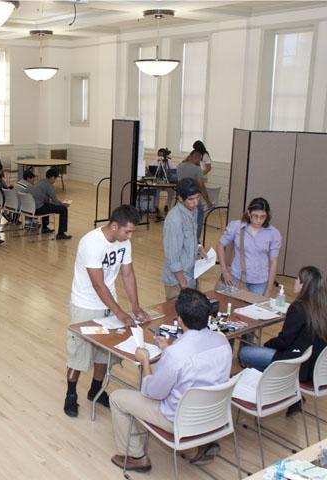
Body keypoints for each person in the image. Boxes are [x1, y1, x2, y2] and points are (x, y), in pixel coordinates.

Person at [109, 288, 232, 472]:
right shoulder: (222, 342)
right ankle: (205, 443)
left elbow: (151, 392)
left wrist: (145, 362)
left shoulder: (177, 354)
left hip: (178, 420)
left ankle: (136, 457)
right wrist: (168, 350)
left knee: (117, 398)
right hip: (213, 415)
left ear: (180, 320)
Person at [64, 205, 150, 417]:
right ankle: (71, 394)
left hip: (109, 305)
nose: (129, 236)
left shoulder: (124, 242)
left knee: (105, 353)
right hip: (86, 306)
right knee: (79, 355)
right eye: (127, 231)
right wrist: (121, 313)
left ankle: (96, 390)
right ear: (114, 226)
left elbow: (128, 274)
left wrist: (135, 306)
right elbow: (98, 285)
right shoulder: (91, 243)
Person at [239, 266, 327, 383]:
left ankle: (265, 383)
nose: (295, 281)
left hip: (296, 363)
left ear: (303, 284)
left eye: (297, 279)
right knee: (258, 362)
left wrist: (267, 344)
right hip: (314, 366)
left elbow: (284, 341)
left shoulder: (298, 308)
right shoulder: (321, 307)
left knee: (244, 353)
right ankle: (271, 384)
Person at [216, 197, 281, 297]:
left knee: (253, 311)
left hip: (260, 282)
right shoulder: (236, 226)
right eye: (255, 216)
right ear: (249, 213)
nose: (259, 220)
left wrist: (269, 289)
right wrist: (224, 270)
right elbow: (220, 245)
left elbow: (274, 262)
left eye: (262, 217)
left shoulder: (273, 233)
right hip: (236, 277)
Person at [162, 178, 206, 300]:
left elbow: (190, 237)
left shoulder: (193, 210)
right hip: (178, 282)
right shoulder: (174, 219)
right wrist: (184, 285)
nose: (196, 202)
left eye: (198, 197)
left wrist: (198, 247)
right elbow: (172, 257)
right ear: (180, 198)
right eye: (191, 199)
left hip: (191, 274)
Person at [177, 149, 211, 240]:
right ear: (197, 159)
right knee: (198, 220)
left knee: (181, 220)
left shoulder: (179, 166)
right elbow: (201, 186)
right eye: (199, 160)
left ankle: (182, 239)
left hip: (181, 198)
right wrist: (208, 200)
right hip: (192, 198)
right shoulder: (197, 169)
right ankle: (195, 241)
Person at [29, 168, 71, 240]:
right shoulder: (49, 186)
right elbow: (55, 201)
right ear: (52, 177)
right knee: (63, 209)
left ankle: (45, 228)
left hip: (30, 208)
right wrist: (63, 204)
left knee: (47, 205)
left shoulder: (40, 182)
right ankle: (61, 234)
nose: (55, 181)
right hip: (38, 209)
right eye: (55, 178)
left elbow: (46, 199)